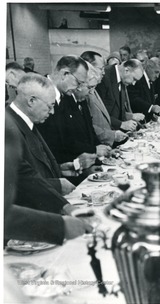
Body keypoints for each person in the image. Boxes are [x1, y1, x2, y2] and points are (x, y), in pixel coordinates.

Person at [5, 102, 92, 245]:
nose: (52, 112)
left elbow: (24, 174)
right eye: (49, 106)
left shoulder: (18, 123)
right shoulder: (9, 125)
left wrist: (65, 207)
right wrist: (59, 226)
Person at [6, 73, 76, 196]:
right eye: (50, 106)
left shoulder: (28, 121)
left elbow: (29, 169)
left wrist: (58, 169)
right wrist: (56, 185)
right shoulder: (6, 128)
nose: (52, 112)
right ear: (31, 101)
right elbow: (12, 183)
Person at [37, 56, 100, 174]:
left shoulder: (66, 96)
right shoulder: (39, 93)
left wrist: (79, 166)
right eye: (78, 82)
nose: (78, 87)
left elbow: (69, 138)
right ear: (64, 74)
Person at [81, 51, 128, 147]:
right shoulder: (84, 92)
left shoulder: (93, 88)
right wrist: (111, 135)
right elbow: (87, 126)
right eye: (101, 69)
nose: (104, 72)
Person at [96, 59, 145, 132]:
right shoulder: (104, 76)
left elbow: (118, 111)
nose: (133, 83)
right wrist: (121, 124)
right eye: (134, 79)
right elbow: (99, 112)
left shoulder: (122, 79)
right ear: (126, 70)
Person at [127, 57, 160, 121]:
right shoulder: (137, 78)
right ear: (149, 67)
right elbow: (133, 98)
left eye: (159, 73)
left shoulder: (150, 81)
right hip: (136, 121)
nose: (157, 76)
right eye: (156, 72)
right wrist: (151, 107)